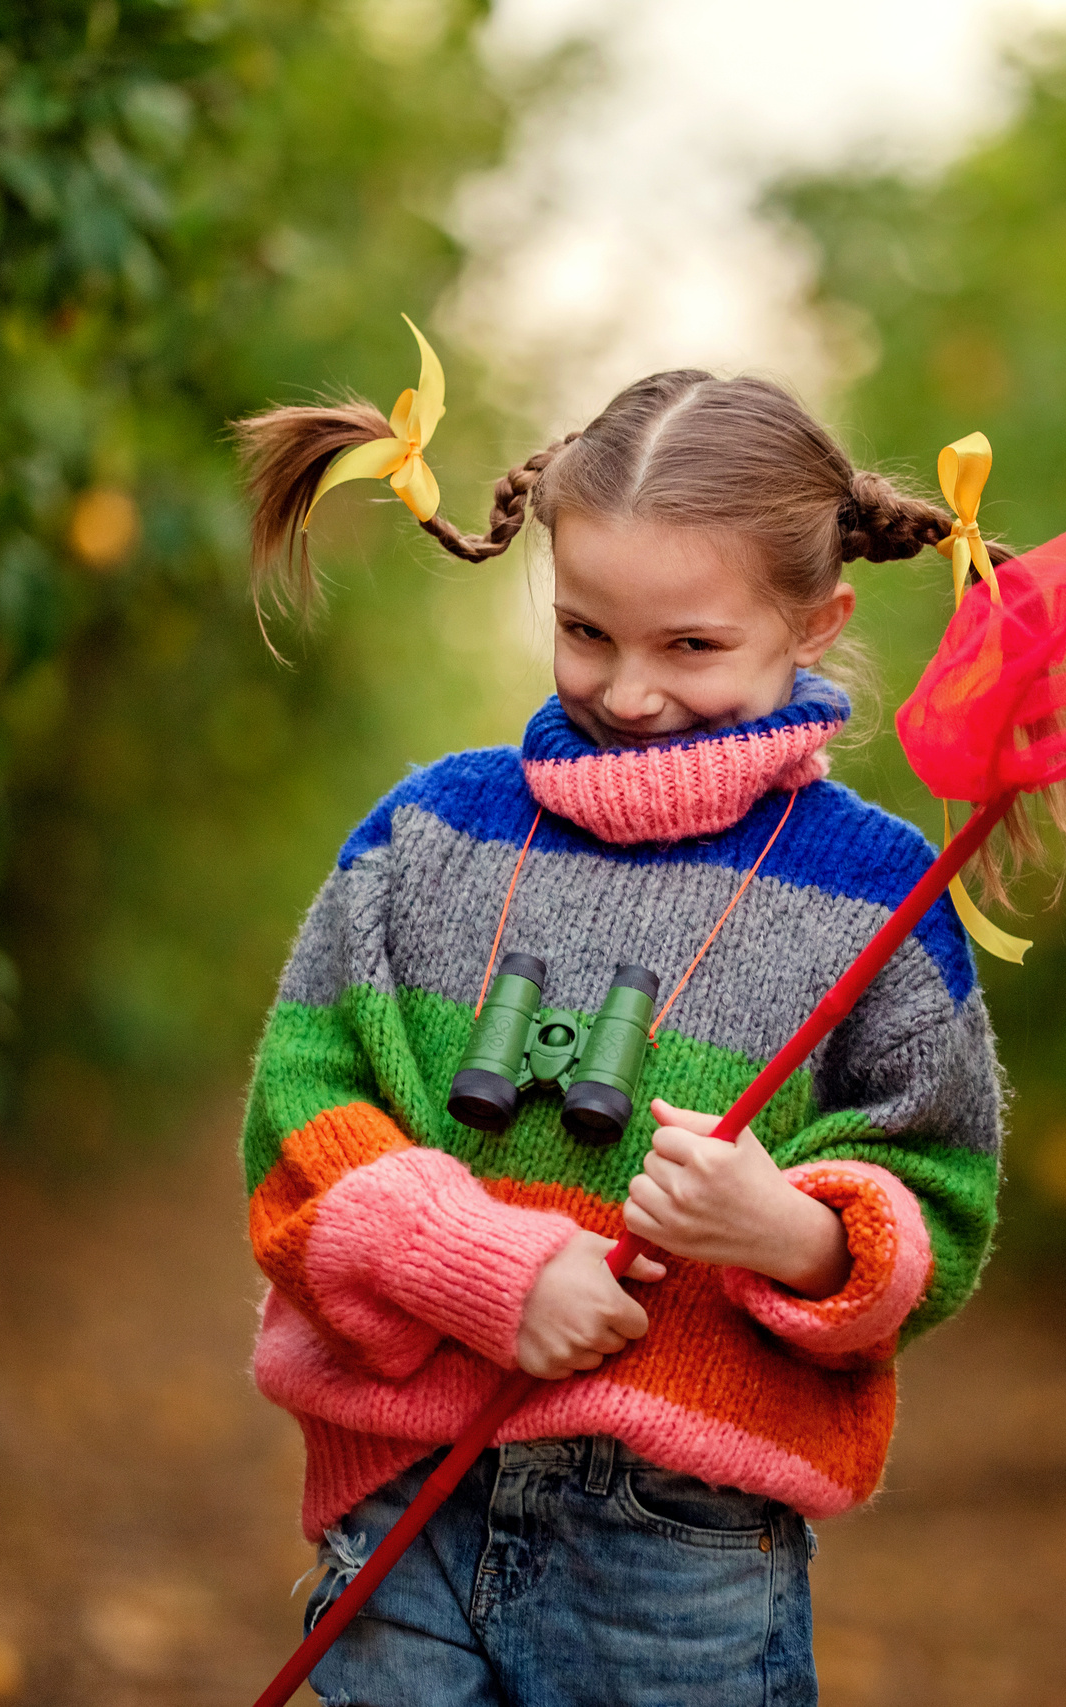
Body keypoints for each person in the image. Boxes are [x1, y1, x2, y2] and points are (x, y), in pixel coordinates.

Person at [231, 364, 1012, 1707]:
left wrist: (794, 1232)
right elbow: (302, 1115)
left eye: (691, 647)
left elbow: (940, 1200)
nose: (632, 691)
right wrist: (484, 1266)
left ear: (815, 622)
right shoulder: (432, 834)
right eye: (588, 633)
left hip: (682, 1550)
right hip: (402, 1492)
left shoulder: (878, 896)